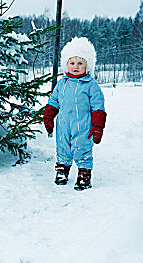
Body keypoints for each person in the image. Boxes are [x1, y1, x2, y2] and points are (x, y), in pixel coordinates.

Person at [43, 37, 106, 190]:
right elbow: (54, 101)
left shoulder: (91, 86)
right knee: (63, 147)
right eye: (72, 63)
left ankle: (84, 174)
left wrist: (98, 127)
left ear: (87, 65)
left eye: (80, 63)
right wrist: (49, 117)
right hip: (64, 125)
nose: (75, 67)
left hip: (83, 126)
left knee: (82, 148)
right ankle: (62, 171)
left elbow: (98, 107)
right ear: (66, 64)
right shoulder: (62, 83)